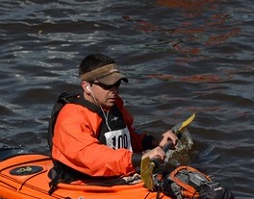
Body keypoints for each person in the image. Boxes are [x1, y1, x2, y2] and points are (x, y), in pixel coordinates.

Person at [48, 53, 178, 188]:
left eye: (117, 84)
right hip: (83, 184)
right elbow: (91, 156)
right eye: (107, 86)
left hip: (117, 175)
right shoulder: (72, 117)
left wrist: (153, 141)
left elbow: (126, 138)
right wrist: (138, 159)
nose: (114, 90)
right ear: (87, 86)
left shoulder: (113, 107)